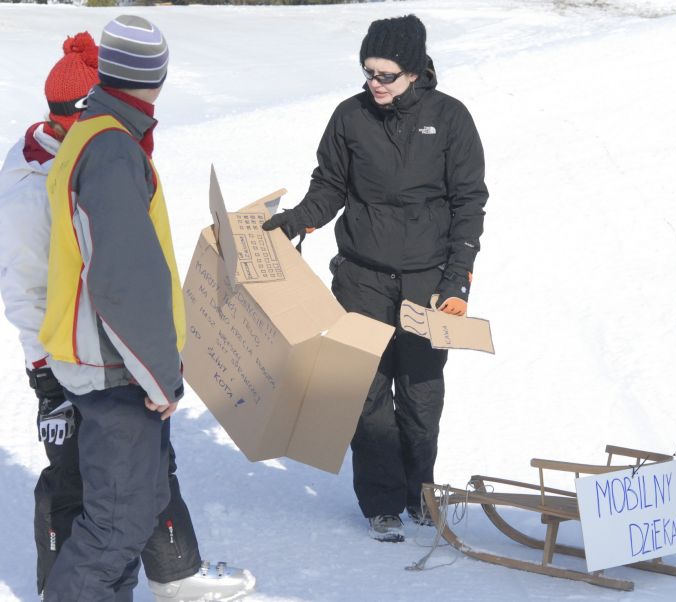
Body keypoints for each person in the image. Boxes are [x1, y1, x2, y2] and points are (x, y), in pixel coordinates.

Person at [0, 19, 253, 601]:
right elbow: (121, 280)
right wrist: (159, 374)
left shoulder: (98, 137)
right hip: (111, 366)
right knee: (114, 525)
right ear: (157, 79)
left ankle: (166, 577)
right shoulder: (110, 148)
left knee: (131, 508)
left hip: (102, 358)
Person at [263, 14, 488, 543]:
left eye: (385, 74)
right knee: (365, 393)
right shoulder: (350, 117)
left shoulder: (450, 118)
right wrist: (295, 221)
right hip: (360, 280)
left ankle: (419, 493)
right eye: (368, 72)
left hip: (426, 286)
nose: (374, 84)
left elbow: (468, 204)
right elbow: (330, 187)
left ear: (413, 71)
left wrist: (457, 281)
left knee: (421, 394)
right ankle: (382, 503)